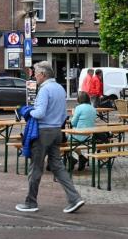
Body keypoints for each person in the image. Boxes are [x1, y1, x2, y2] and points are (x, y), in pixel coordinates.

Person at [15, 61, 85, 214]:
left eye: (36, 73)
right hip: (56, 132)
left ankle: (30, 202)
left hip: (42, 133)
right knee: (58, 167)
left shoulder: (44, 90)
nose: (34, 76)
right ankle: (74, 198)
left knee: (35, 168)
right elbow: (62, 115)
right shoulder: (60, 88)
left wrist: (26, 111)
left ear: (43, 75)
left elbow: (39, 113)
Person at [70, 91, 97, 171]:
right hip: (89, 136)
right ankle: (81, 157)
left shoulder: (78, 108)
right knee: (73, 141)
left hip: (78, 135)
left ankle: (71, 158)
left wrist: (73, 114)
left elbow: (73, 123)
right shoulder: (93, 108)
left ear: (79, 99)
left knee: (63, 140)